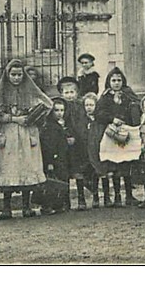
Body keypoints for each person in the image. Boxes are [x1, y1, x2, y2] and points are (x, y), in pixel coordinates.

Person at [0, 59, 51, 218]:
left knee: (27, 166)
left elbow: (46, 104)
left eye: (19, 75)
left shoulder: (30, 91)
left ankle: (27, 206)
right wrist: (14, 118)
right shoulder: (2, 91)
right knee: (9, 167)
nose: (16, 78)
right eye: (13, 74)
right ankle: (6, 207)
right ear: (8, 75)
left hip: (27, 132)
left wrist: (34, 115)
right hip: (10, 132)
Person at [95, 66, 142, 207]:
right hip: (111, 133)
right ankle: (116, 196)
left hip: (126, 132)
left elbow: (137, 108)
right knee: (114, 164)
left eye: (119, 80)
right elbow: (98, 114)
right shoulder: (105, 97)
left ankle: (129, 195)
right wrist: (112, 119)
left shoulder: (128, 95)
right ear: (109, 82)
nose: (116, 83)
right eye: (113, 80)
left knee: (126, 163)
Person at [56, 76, 90, 210]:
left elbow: (81, 124)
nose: (69, 95)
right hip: (64, 144)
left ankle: (81, 198)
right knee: (64, 171)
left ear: (77, 93)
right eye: (66, 92)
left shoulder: (80, 106)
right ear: (61, 93)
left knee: (78, 171)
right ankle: (65, 200)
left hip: (78, 144)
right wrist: (67, 135)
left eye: (72, 92)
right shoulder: (59, 107)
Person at [39, 97, 73, 214]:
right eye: (56, 110)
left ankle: (60, 204)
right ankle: (47, 205)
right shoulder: (49, 126)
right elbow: (48, 146)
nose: (59, 113)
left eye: (62, 110)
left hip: (63, 158)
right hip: (54, 158)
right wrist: (49, 162)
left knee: (62, 179)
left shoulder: (62, 125)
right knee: (53, 181)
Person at [82, 92, 107, 208]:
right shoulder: (82, 120)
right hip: (87, 149)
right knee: (92, 174)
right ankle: (95, 196)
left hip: (99, 148)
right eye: (86, 105)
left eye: (91, 105)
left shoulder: (99, 119)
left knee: (102, 172)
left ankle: (107, 196)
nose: (89, 107)